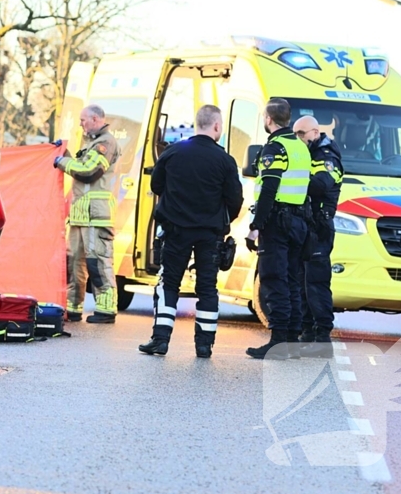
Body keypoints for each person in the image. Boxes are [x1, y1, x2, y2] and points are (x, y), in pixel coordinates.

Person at [139, 105, 243, 358]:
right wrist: (221, 220)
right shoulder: (224, 160)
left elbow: (156, 185)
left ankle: (160, 339)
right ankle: (204, 345)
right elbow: (235, 199)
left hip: (176, 230)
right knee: (207, 287)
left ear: (197, 123)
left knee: (169, 283)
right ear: (216, 126)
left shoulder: (174, 152)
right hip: (210, 234)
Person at [246, 98, 313, 360]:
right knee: (293, 281)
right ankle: (292, 342)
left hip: (278, 223)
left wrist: (255, 226)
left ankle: (278, 342)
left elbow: (269, 189)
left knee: (274, 280)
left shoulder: (276, 148)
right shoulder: (301, 147)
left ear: (268, 119)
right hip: (298, 222)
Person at [54, 104, 120, 324]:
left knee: (97, 263)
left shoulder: (106, 142)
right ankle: (73, 308)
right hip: (80, 217)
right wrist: (61, 152)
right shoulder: (90, 142)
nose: (80, 124)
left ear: (95, 119)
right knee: (74, 264)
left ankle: (106, 310)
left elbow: (88, 172)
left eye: (83, 120)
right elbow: (80, 163)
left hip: (97, 216)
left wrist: (61, 161)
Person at [293, 115, 343, 358]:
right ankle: (307, 333)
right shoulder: (311, 154)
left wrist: (292, 176)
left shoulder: (327, 157)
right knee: (303, 281)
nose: (299, 139)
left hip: (320, 228)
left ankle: (322, 337)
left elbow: (320, 184)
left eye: (302, 134)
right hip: (307, 225)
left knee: (316, 283)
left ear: (315, 132)